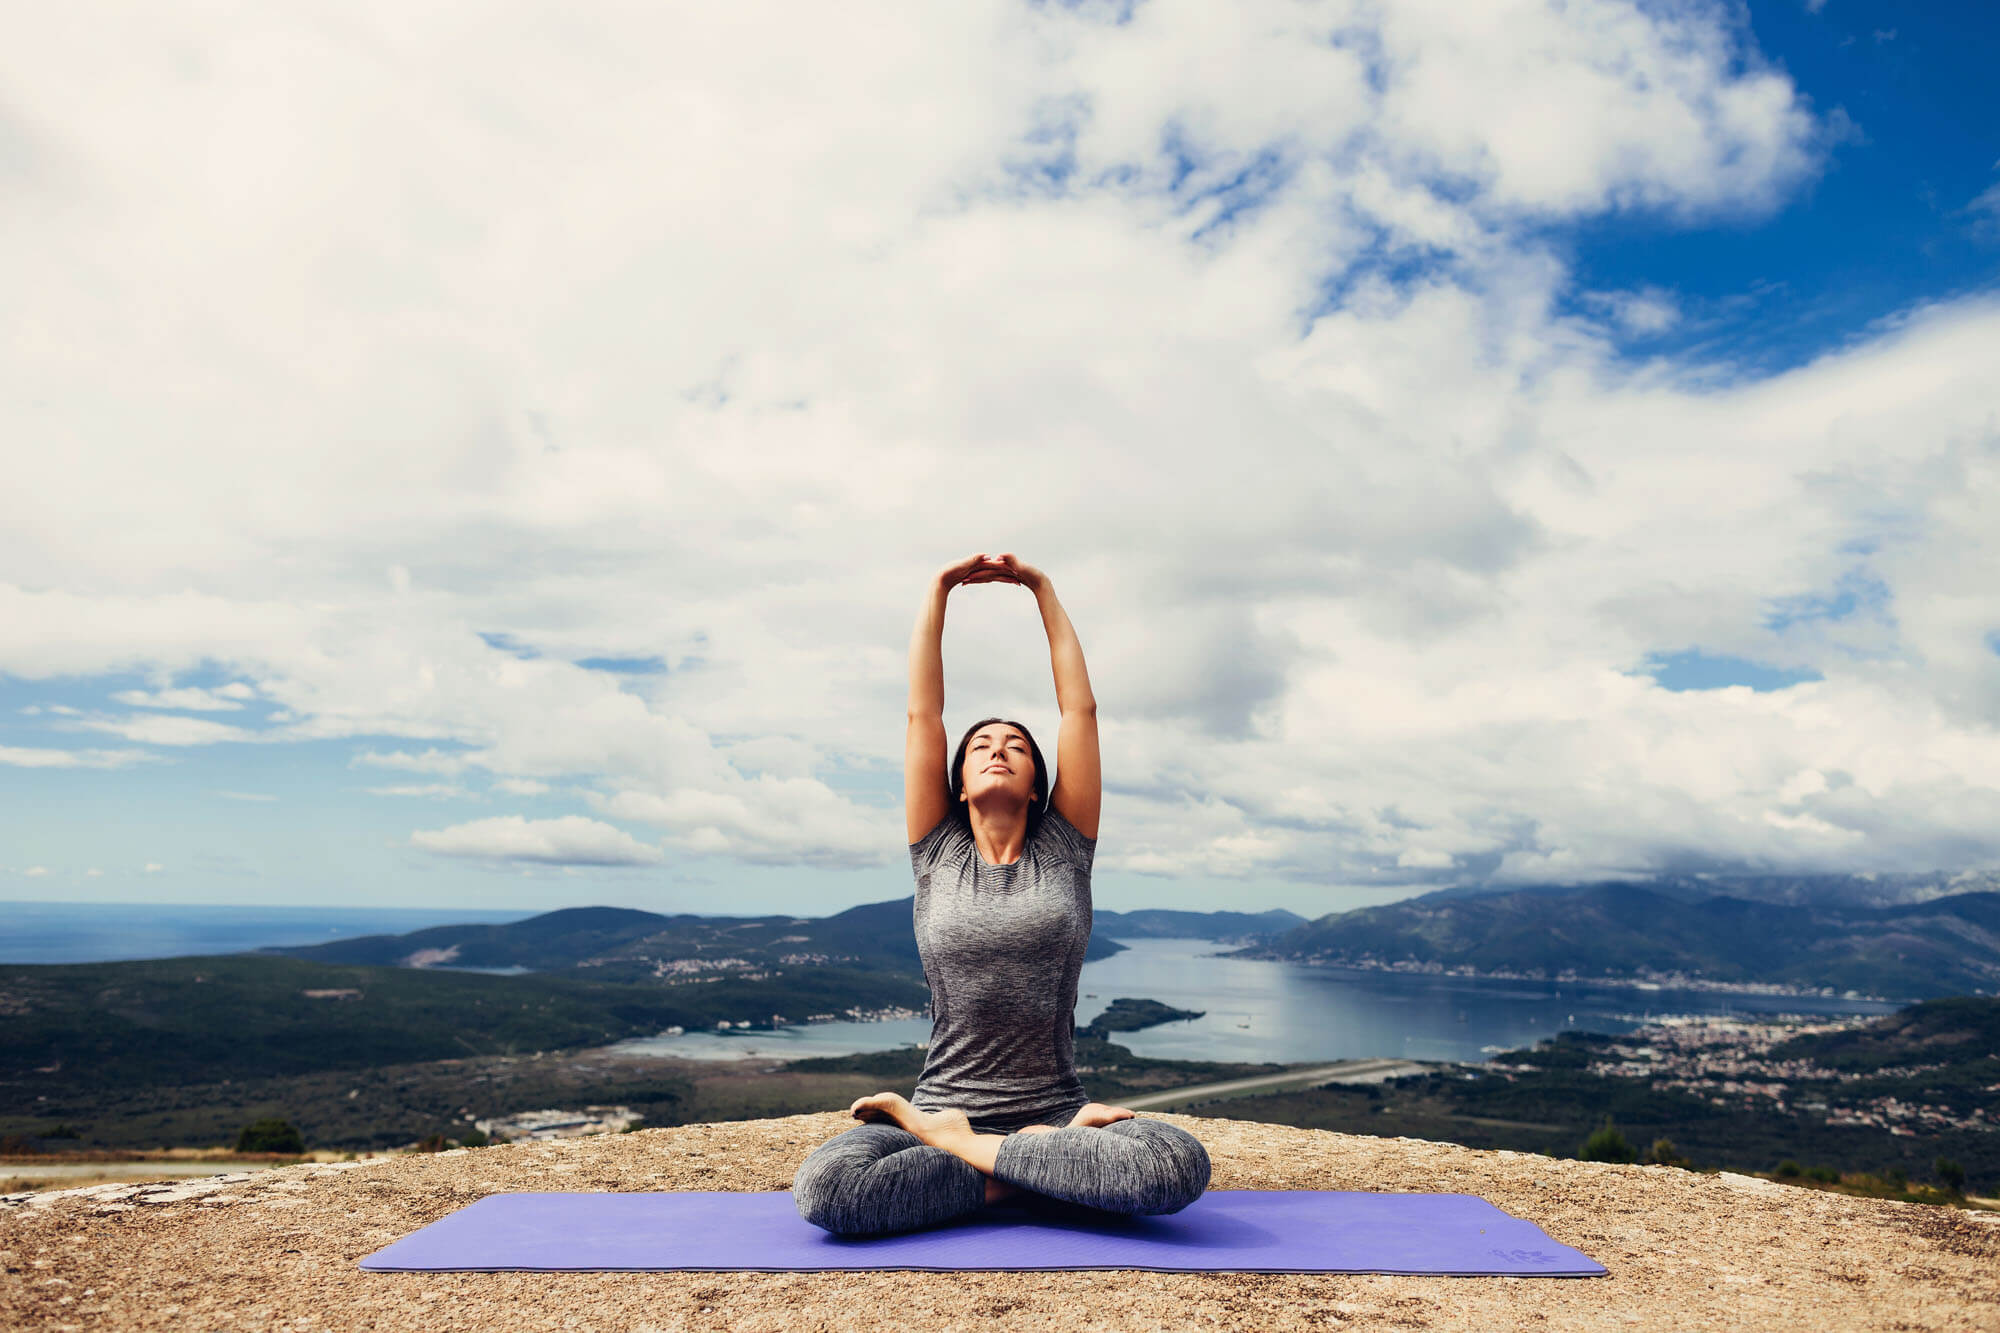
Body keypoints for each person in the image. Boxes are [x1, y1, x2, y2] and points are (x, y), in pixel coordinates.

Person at [792, 552, 1212, 1238]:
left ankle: (973, 1154)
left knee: (1174, 1164)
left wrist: (1042, 589)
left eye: (1016, 744)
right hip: (941, 1107)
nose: (997, 748)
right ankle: (1030, 1179)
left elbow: (1080, 708)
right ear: (957, 782)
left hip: (1053, 1116)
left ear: (1039, 784)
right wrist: (938, 591)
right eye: (981, 744)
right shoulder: (937, 852)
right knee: (829, 1189)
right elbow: (922, 712)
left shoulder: (1065, 848)